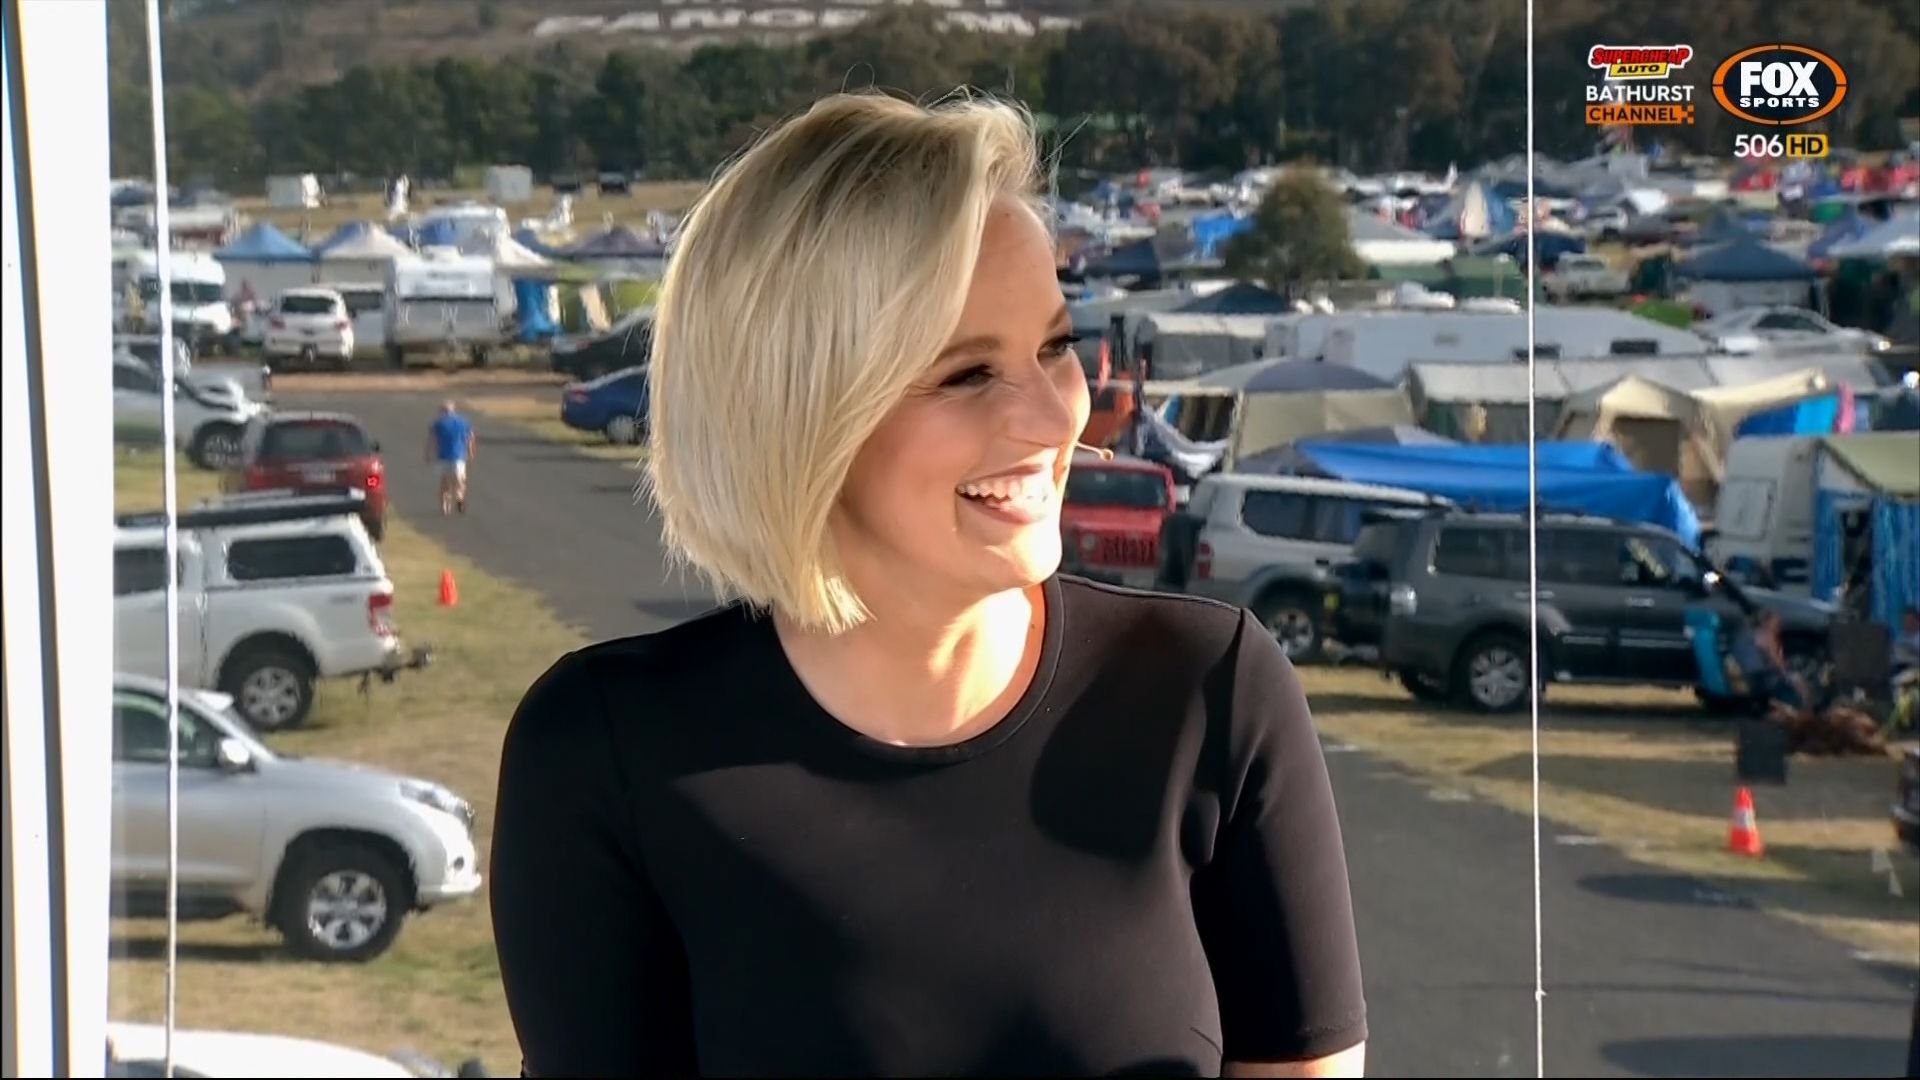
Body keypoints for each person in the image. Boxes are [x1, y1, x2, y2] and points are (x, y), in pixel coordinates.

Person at [489, 92, 1367, 1079]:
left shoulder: (1213, 692)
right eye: (967, 375)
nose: (1057, 418)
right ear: (799, 414)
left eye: (1055, 346)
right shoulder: (603, 753)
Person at [426, 400, 475, 515]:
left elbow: (432, 440)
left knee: (448, 482)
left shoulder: (440, 423)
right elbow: (470, 438)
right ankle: (456, 499)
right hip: (454, 456)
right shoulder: (462, 422)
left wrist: (428, 454)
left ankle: (449, 504)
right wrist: (470, 452)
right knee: (457, 480)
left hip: (448, 456)